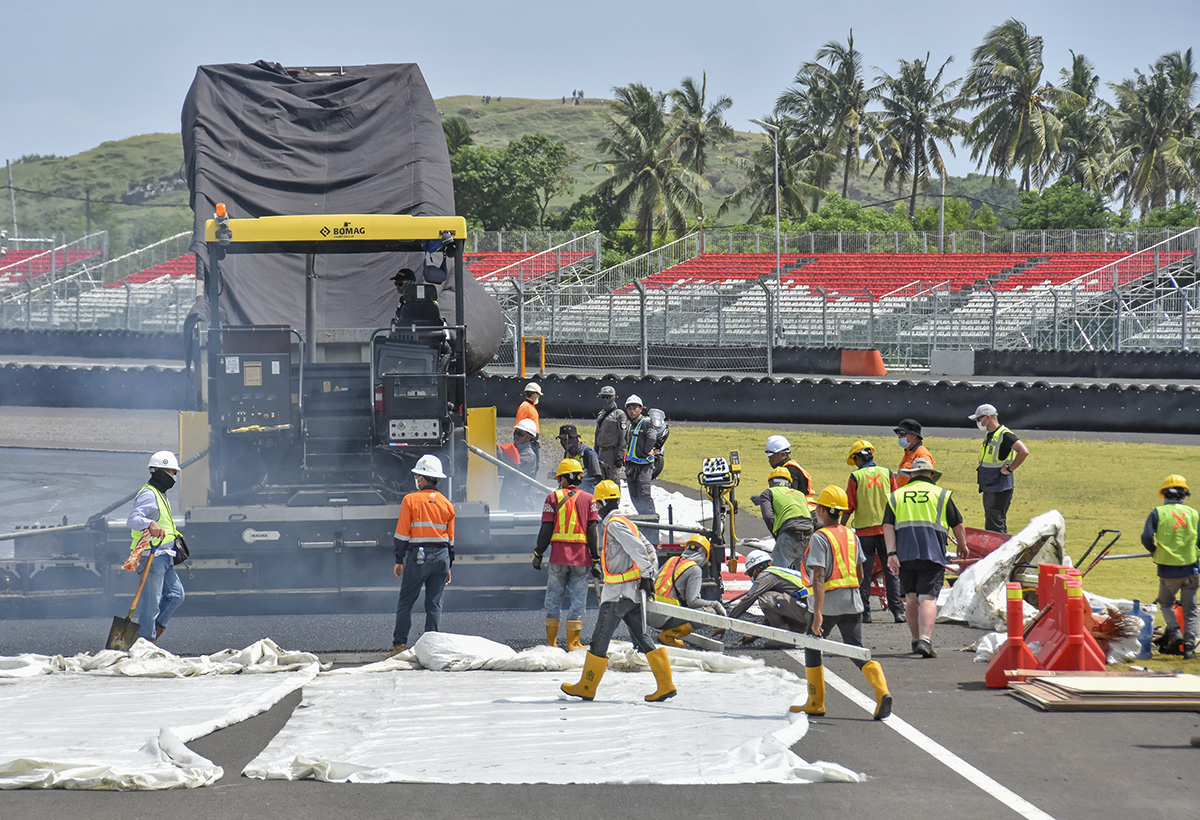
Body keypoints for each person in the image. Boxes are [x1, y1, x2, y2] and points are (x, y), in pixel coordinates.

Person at [561, 480, 676, 703]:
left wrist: (646, 575)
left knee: (599, 639)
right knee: (642, 637)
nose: (597, 508)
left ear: (602, 502)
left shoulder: (614, 524)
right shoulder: (625, 521)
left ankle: (587, 685)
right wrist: (647, 575)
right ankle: (666, 685)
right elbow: (649, 547)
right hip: (629, 594)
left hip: (618, 595)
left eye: (598, 504)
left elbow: (637, 548)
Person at [792, 485, 892, 721]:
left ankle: (816, 702)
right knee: (856, 650)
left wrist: (817, 613)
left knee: (812, 647)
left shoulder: (820, 537)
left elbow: (818, 576)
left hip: (828, 604)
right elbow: (859, 572)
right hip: (853, 602)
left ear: (825, 511)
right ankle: (882, 692)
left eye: (818, 508)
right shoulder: (851, 535)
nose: (816, 511)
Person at [883, 457, 967, 659]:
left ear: (911, 475)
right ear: (931, 475)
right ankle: (925, 640)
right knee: (928, 597)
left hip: (905, 554)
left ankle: (915, 640)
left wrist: (891, 553)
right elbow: (958, 524)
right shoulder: (941, 495)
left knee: (911, 598)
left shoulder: (896, 496)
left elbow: (887, 526)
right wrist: (962, 545)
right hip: (932, 553)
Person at [390, 455, 455, 656]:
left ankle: (399, 646)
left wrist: (399, 560)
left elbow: (402, 533)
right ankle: (431, 650)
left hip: (418, 557)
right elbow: (451, 540)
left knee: (406, 602)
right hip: (442, 557)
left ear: (423, 478)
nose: (417, 478)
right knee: (434, 604)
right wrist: (448, 565)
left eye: (418, 475)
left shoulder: (410, 500)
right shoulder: (447, 504)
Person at [533, 459, 601, 651]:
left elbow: (545, 529)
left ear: (563, 478)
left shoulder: (552, 498)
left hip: (558, 557)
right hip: (581, 558)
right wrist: (595, 559)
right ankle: (573, 643)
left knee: (553, 599)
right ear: (578, 477)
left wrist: (538, 553)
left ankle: (551, 643)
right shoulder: (590, 500)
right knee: (578, 600)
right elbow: (592, 531)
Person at [125, 450, 185, 644]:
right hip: (151, 555)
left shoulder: (160, 494)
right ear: (159, 472)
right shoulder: (149, 494)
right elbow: (133, 519)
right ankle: (146, 641)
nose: (174, 477)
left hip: (163, 556)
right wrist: (149, 524)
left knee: (177, 595)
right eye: (171, 472)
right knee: (152, 603)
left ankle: (152, 634)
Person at [843, 440, 904, 624]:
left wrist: (840, 526)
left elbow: (849, 506)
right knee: (891, 571)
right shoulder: (887, 473)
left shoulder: (856, 477)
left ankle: (864, 612)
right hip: (887, 532)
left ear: (857, 459)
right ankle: (898, 612)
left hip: (864, 533)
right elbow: (896, 500)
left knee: (864, 574)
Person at [1141, 475, 1199, 660]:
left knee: (1165, 603)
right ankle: (1189, 649)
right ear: (1185, 494)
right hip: (1192, 570)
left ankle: (1174, 630)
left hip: (1168, 571)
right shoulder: (1194, 513)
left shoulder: (1158, 513)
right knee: (1191, 610)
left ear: (1164, 494)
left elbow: (1146, 538)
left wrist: (1154, 550)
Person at [648, 535, 725, 647]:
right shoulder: (695, 569)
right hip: (664, 618)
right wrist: (715, 604)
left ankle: (667, 633)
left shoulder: (672, 561)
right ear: (704, 555)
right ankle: (668, 635)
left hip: (650, 614)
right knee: (709, 613)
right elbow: (692, 601)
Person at [724, 549, 809, 645]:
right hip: (809, 611)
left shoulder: (766, 576)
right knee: (772, 601)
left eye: (751, 573)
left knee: (764, 598)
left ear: (758, 568)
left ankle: (784, 637)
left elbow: (748, 600)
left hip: (805, 610)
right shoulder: (779, 573)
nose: (752, 577)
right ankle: (801, 630)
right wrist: (754, 636)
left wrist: (725, 622)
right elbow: (772, 614)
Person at [970, 403, 1030, 533]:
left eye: (979, 419)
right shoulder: (990, 434)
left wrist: (1010, 469)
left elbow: (1024, 451)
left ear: (987, 417)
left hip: (999, 487)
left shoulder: (1005, 434)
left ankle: (1000, 551)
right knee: (993, 523)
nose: (978, 422)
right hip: (990, 485)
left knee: (995, 525)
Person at [751, 466, 814, 570]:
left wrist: (776, 535)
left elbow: (768, 516)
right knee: (805, 573)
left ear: (771, 482)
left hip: (789, 530)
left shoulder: (768, 493)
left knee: (777, 572)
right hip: (808, 531)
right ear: (789, 482)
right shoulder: (800, 494)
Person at [623, 394, 660, 534]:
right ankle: (644, 524)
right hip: (632, 466)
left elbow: (652, 437)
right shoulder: (629, 424)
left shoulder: (645, 422)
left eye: (635, 408)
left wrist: (645, 452)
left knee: (644, 495)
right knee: (634, 496)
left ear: (641, 409)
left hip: (644, 466)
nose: (632, 411)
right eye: (630, 408)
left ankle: (652, 527)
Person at [498, 418, 540, 510]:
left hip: (522, 503)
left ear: (529, 437)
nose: (516, 436)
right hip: (509, 500)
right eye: (515, 433)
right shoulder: (514, 450)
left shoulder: (529, 455)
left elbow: (512, 467)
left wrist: (498, 452)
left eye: (520, 434)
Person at [593, 385, 629, 483]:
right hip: (600, 450)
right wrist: (595, 450)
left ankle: (615, 499)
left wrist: (620, 456)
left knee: (612, 479)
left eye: (608, 397)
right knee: (600, 479)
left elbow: (623, 436)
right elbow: (597, 434)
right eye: (603, 397)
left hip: (611, 452)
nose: (605, 400)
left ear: (613, 397)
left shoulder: (620, 415)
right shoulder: (601, 414)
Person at [764, 434, 815, 499]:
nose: (769, 461)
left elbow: (791, 496)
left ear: (782, 454)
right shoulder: (791, 466)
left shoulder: (790, 470)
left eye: (771, 457)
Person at [557, 424, 602, 493]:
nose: (564, 443)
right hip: (571, 494)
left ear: (574, 439)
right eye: (562, 440)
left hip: (588, 495)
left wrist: (580, 481)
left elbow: (597, 478)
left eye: (566, 440)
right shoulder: (567, 454)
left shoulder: (589, 454)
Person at [894, 418, 934, 488]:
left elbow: (924, 480)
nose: (899, 436)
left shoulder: (922, 454)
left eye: (902, 433)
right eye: (898, 433)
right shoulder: (909, 452)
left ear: (914, 435)